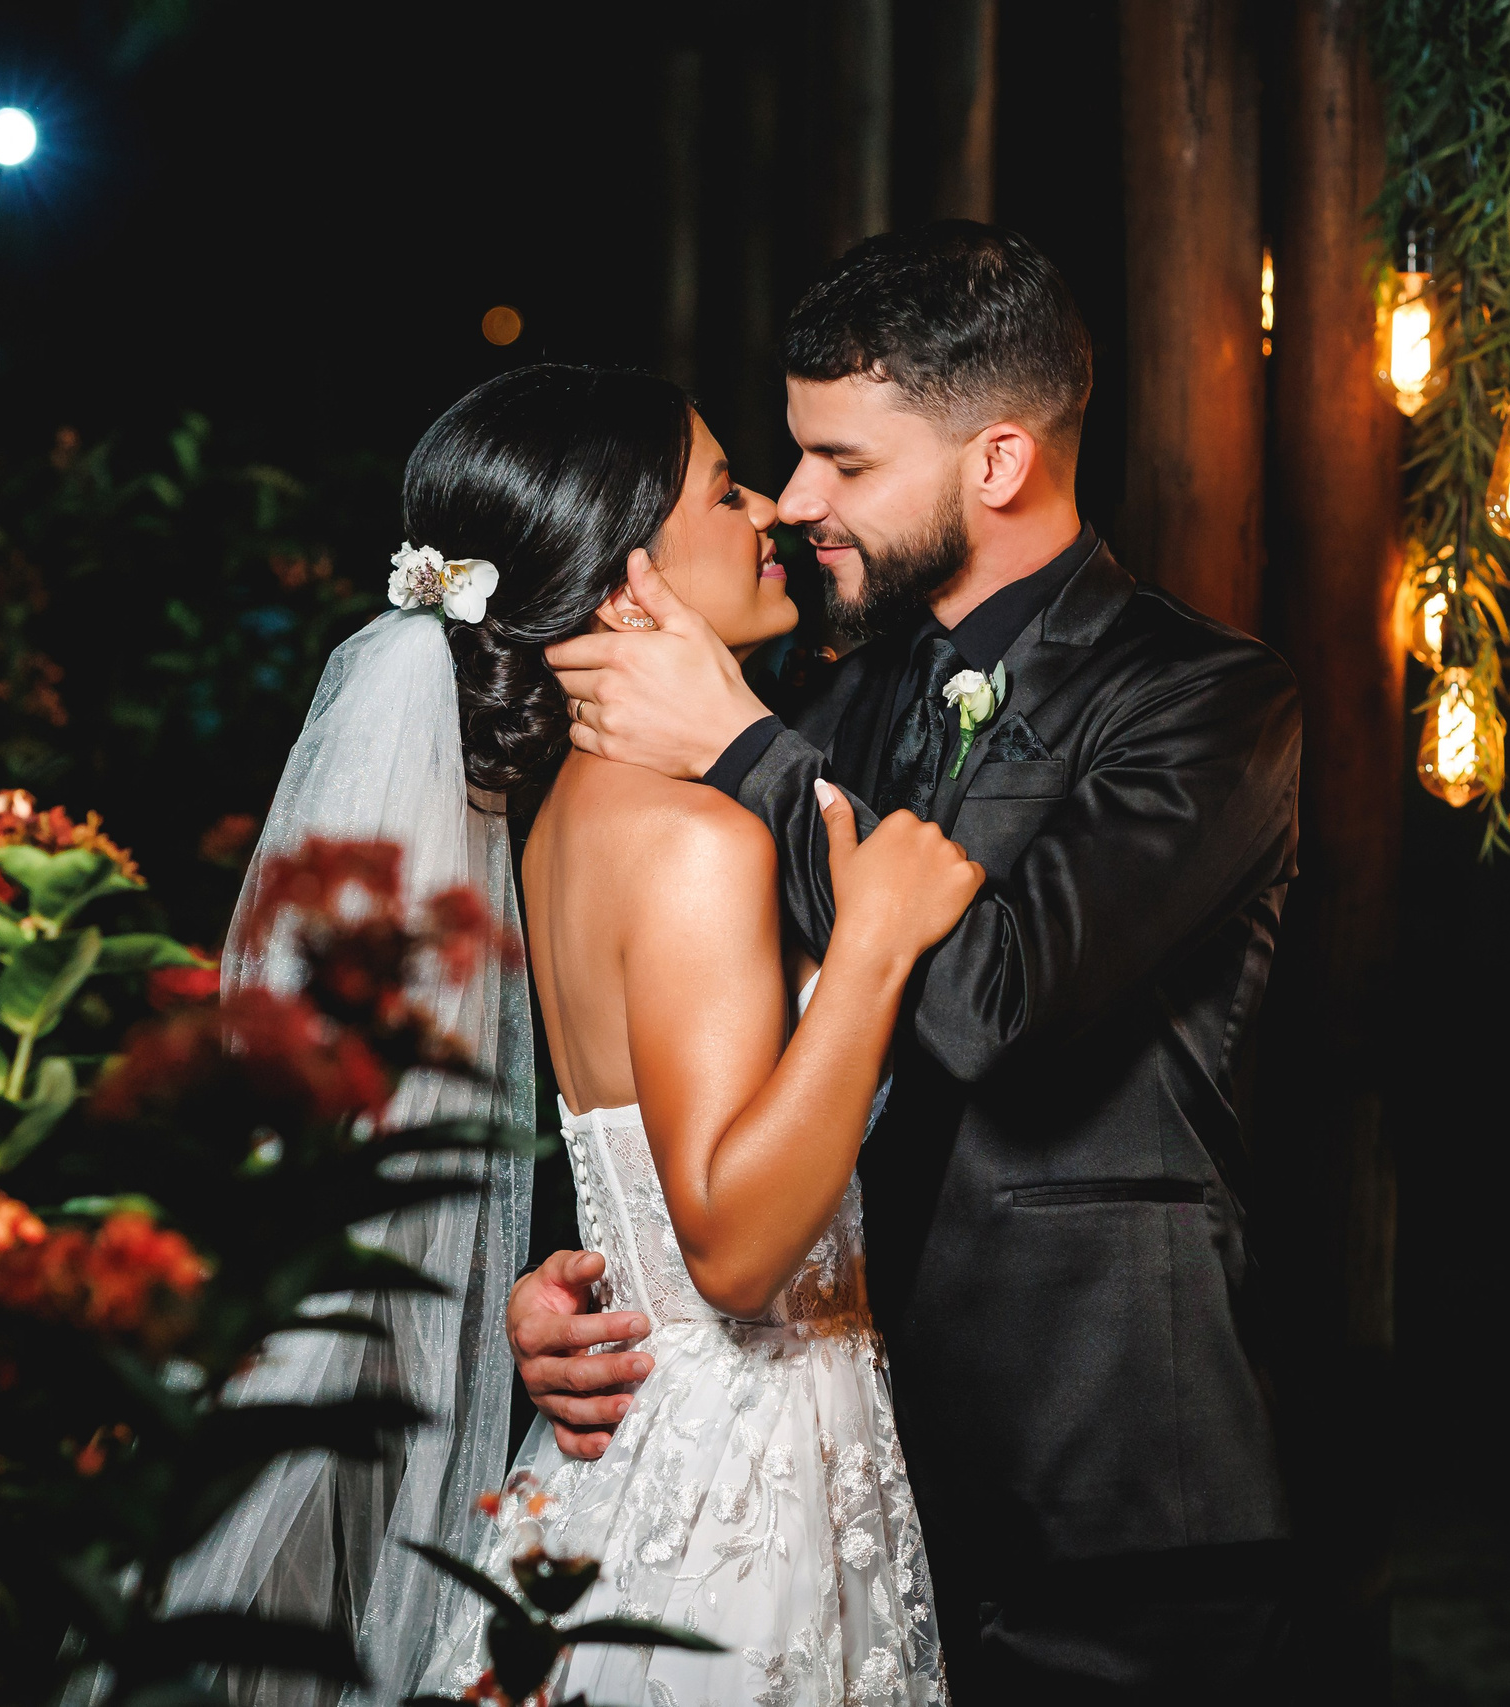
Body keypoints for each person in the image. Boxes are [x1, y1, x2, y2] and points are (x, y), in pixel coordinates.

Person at [523, 223, 1302, 1702]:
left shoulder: (1207, 703)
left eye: (847, 465)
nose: (799, 499)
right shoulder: (830, 685)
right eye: (794, 454)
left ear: (996, 463)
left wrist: (746, 754)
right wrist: (578, 1275)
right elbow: (684, 1026)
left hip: (1108, 1491)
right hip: (845, 1472)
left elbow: (994, 1008)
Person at [177, 364, 978, 1706]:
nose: (771, 515)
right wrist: (874, 951)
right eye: (725, 492)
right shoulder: (694, 843)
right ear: (627, 588)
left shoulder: (559, 826)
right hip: (735, 1476)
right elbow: (726, 1244)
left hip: (641, 1456)